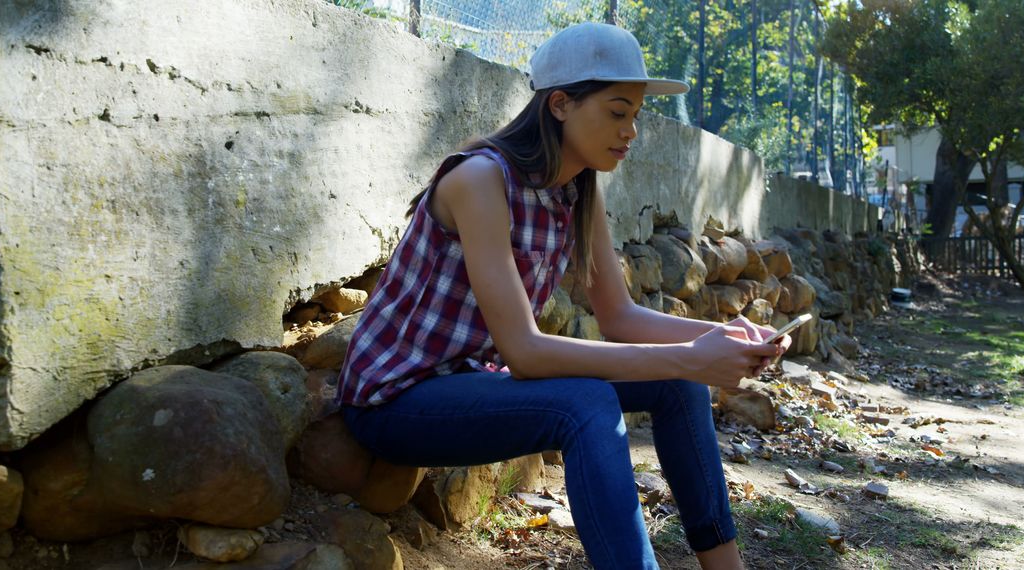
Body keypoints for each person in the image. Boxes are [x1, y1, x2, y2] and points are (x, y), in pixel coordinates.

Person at [336, 22, 787, 570]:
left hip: (470, 383)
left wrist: (723, 338)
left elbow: (618, 315)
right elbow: (524, 351)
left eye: (636, 115)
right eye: (618, 112)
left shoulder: (579, 189)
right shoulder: (480, 180)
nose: (632, 131)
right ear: (559, 105)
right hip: (396, 401)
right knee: (587, 404)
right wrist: (691, 354)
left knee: (679, 383)